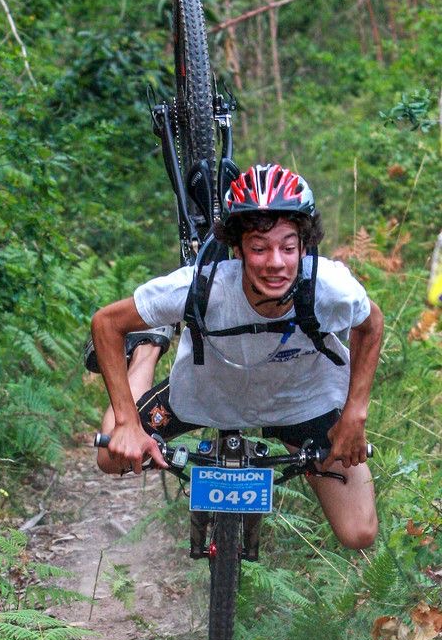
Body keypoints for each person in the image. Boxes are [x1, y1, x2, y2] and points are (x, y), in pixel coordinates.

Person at [86, 163, 383, 551]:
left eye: (288, 247)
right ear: (238, 249)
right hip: (208, 394)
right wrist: (127, 423)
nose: (275, 262)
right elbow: (107, 323)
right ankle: (147, 349)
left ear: (304, 246)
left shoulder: (330, 287)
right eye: (259, 248)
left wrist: (353, 415)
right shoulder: (203, 287)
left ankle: (311, 458)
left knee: (358, 532)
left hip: (302, 401)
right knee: (110, 458)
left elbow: (371, 324)